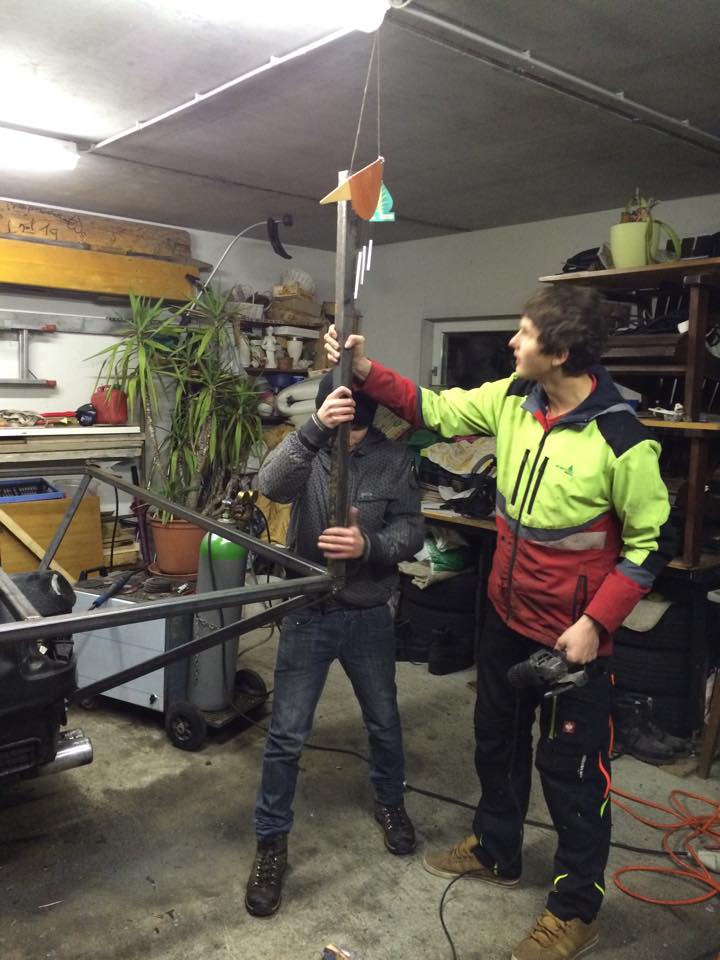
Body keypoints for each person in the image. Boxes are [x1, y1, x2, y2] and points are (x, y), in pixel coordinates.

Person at [325, 286, 675, 960]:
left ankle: (575, 911)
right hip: (506, 617)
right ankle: (496, 849)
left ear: (560, 351)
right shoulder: (515, 397)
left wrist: (596, 624)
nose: (512, 342)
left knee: (573, 777)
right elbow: (433, 408)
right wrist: (365, 371)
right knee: (495, 742)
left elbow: (648, 547)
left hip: (572, 641)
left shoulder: (623, 441)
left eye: (524, 333)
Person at [245, 372, 425, 918]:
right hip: (309, 612)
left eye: (357, 430)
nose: (349, 440)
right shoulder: (307, 449)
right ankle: (271, 842)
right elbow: (271, 485)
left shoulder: (393, 459)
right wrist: (314, 430)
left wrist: (368, 544)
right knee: (286, 735)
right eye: (341, 426)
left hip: (368, 612)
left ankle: (390, 802)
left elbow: (412, 530)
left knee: (384, 720)